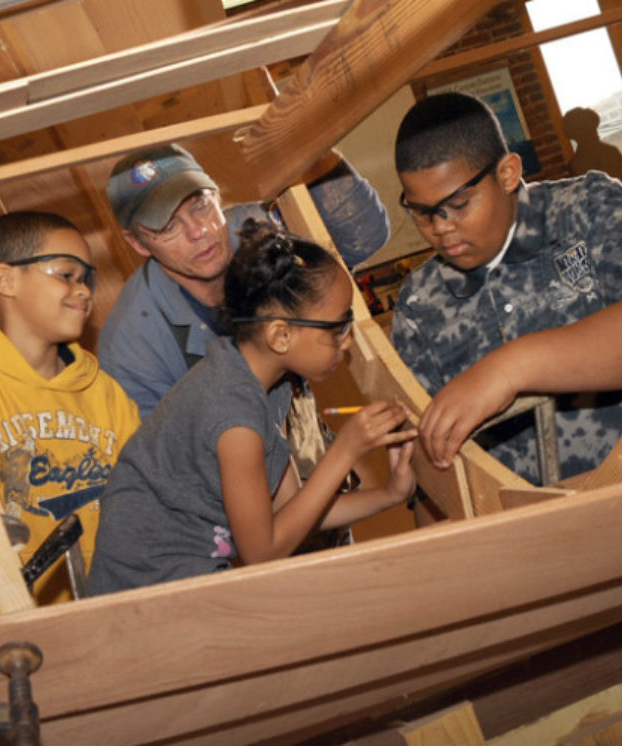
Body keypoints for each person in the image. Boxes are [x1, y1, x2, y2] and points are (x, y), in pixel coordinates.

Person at [88, 221, 417, 592]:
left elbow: (290, 513)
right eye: (337, 328)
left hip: (186, 579)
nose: (347, 341)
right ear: (280, 335)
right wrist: (345, 450)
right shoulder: (234, 416)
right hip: (144, 592)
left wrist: (392, 494)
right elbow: (263, 552)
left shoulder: (266, 384)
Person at [389, 92, 622, 512]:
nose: (440, 229)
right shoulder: (420, 305)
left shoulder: (588, 209)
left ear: (507, 173)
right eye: (422, 212)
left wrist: (510, 368)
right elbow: (435, 480)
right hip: (533, 541)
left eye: (458, 205)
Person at [0, 211, 141, 623]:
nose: (83, 291)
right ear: (6, 280)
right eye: (66, 274)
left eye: (87, 278)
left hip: (106, 612)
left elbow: (140, 503)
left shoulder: (105, 392)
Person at [98, 144, 389, 418]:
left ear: (217, 195)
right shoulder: (131, 350)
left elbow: (364, 238)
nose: (198, 231)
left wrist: (313, 149)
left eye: (200, 205)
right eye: (169, 226)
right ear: (137, 243)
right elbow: (169, 462)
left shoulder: (257, 232)